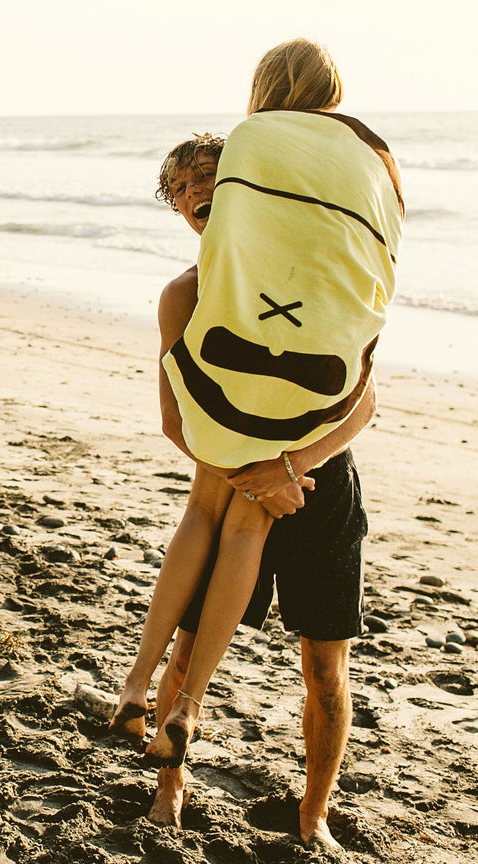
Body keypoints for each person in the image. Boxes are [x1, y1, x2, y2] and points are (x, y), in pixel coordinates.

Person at [111, 38, 404, 852]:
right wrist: (249, 473)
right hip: (232, 477)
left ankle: (313, 818)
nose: (199, 191)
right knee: (190, 647)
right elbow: (177, 421)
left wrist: (287, 468)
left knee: (325, 671)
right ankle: (169, 789)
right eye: (183, 188)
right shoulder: (183, 295)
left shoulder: (310, 279)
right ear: (175, 210)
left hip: (316, 487)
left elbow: (361, 401)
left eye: (210, 177)